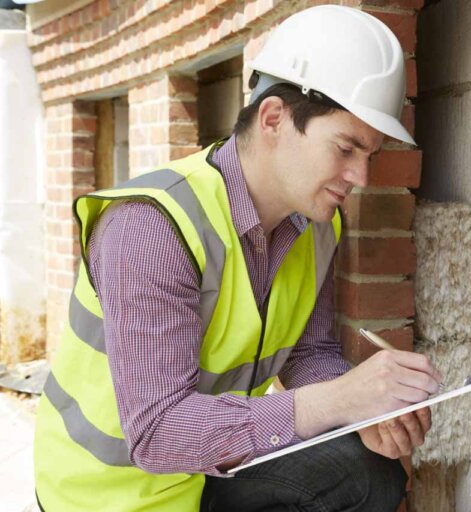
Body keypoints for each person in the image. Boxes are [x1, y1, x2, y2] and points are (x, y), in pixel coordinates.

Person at [33, 5, 442, 511]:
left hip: (207, 472)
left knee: (367, 474)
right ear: (274, 118)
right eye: (345, 148)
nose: (360, 177)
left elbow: (308, 354)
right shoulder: (151, 229)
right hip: (107, 495)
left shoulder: (317, 226)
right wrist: (337, 401)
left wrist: (363, 415)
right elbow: (158, 434)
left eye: (369, 155)